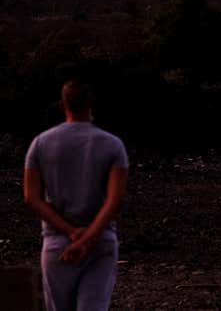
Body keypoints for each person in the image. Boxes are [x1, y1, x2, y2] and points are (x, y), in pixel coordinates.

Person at [24, 80, 129, 311]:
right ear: (91, 103)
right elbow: (115, 200)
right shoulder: (113, 145)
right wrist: (88, 238)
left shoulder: (40, 144)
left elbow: (31, 198)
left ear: (63, 105)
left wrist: (72, 232)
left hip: (58, 243)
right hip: (100, 240)